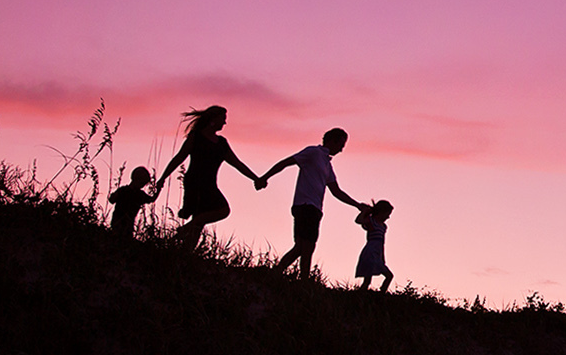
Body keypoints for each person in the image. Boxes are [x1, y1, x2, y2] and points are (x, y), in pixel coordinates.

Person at [259, 127, 366, 280]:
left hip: (315, 208)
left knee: (301, 247)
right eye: (340, 145)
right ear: (331, 140)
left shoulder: (327, 165)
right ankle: (303, 281)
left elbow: (336, 191)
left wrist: (357, 205)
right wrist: (265, 177)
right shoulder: (313, 153)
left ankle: (276, 273)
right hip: (304, 205)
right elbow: (286, 162)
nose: (341, 150)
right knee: (307, 247)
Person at [156, 105, 261, 253]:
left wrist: (256, 178)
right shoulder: (196, 137)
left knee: (200, 220)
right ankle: (182, 238)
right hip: (195, 182)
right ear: (213, 120)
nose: (224, 123)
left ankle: (184, 252)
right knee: (221, 211)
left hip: (210, 184)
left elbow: (237, 163)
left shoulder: (222, 143)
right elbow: (179, 157)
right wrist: (163, 178)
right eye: (223, 119)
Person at [353, 200, 394, 291]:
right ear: (381, 212)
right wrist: (365, 212)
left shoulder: (383, 226)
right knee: (368, 280)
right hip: (370, 252)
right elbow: (358, 220)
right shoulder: (371, 221)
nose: (388, 217)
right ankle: (362, 295)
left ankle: (381, 293)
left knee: (389, 276)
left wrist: (382, 258)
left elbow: (382, 243)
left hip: (377, 252)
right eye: (387, 214)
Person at [107, 165, 154, 238]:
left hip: (122, 223)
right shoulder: (138, 194)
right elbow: (151, 199)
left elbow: (111, 200)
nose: (143, 186)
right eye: (142, 183)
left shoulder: (125, 190)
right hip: (121, 223)